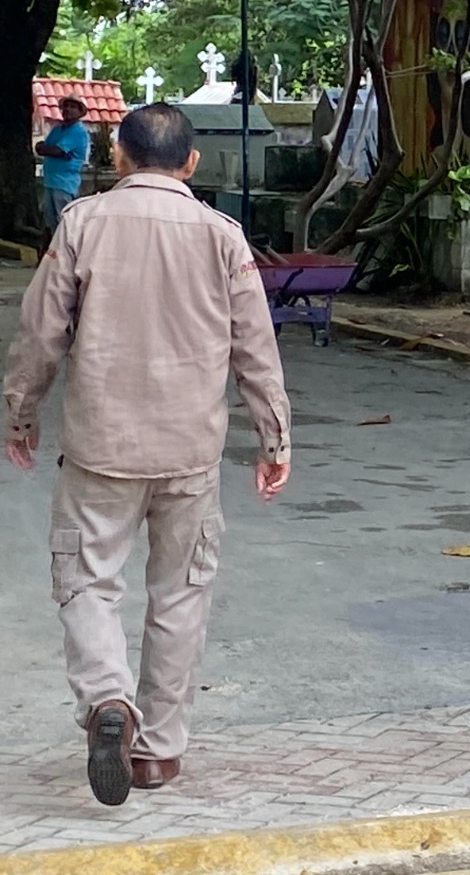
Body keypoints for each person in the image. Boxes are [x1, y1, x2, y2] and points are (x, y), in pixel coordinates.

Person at [3, 103, 292, 806]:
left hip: (100, 448)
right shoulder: (223, 236)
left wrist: (19, 413)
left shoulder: (82, 224)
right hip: (190, 451)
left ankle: (108, 698)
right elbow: (255, 343)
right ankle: (158, 752)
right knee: (180, 594)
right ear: (191, 163)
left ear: (119, 157)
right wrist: (273, 436)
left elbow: (42, 333)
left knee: (87, 580)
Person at [35, 94, 90, 248]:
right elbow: (43, 147)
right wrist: (44, 148)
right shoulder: (58, 129)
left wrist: (44, 149)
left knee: (65, 224)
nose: (68, 109)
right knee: (50, 223)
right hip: (50, 181)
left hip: (65, 183)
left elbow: (56, 150)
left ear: (80, 112)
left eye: (73, 107)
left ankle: (66, 255)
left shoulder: (78, 131)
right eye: (66, 106)